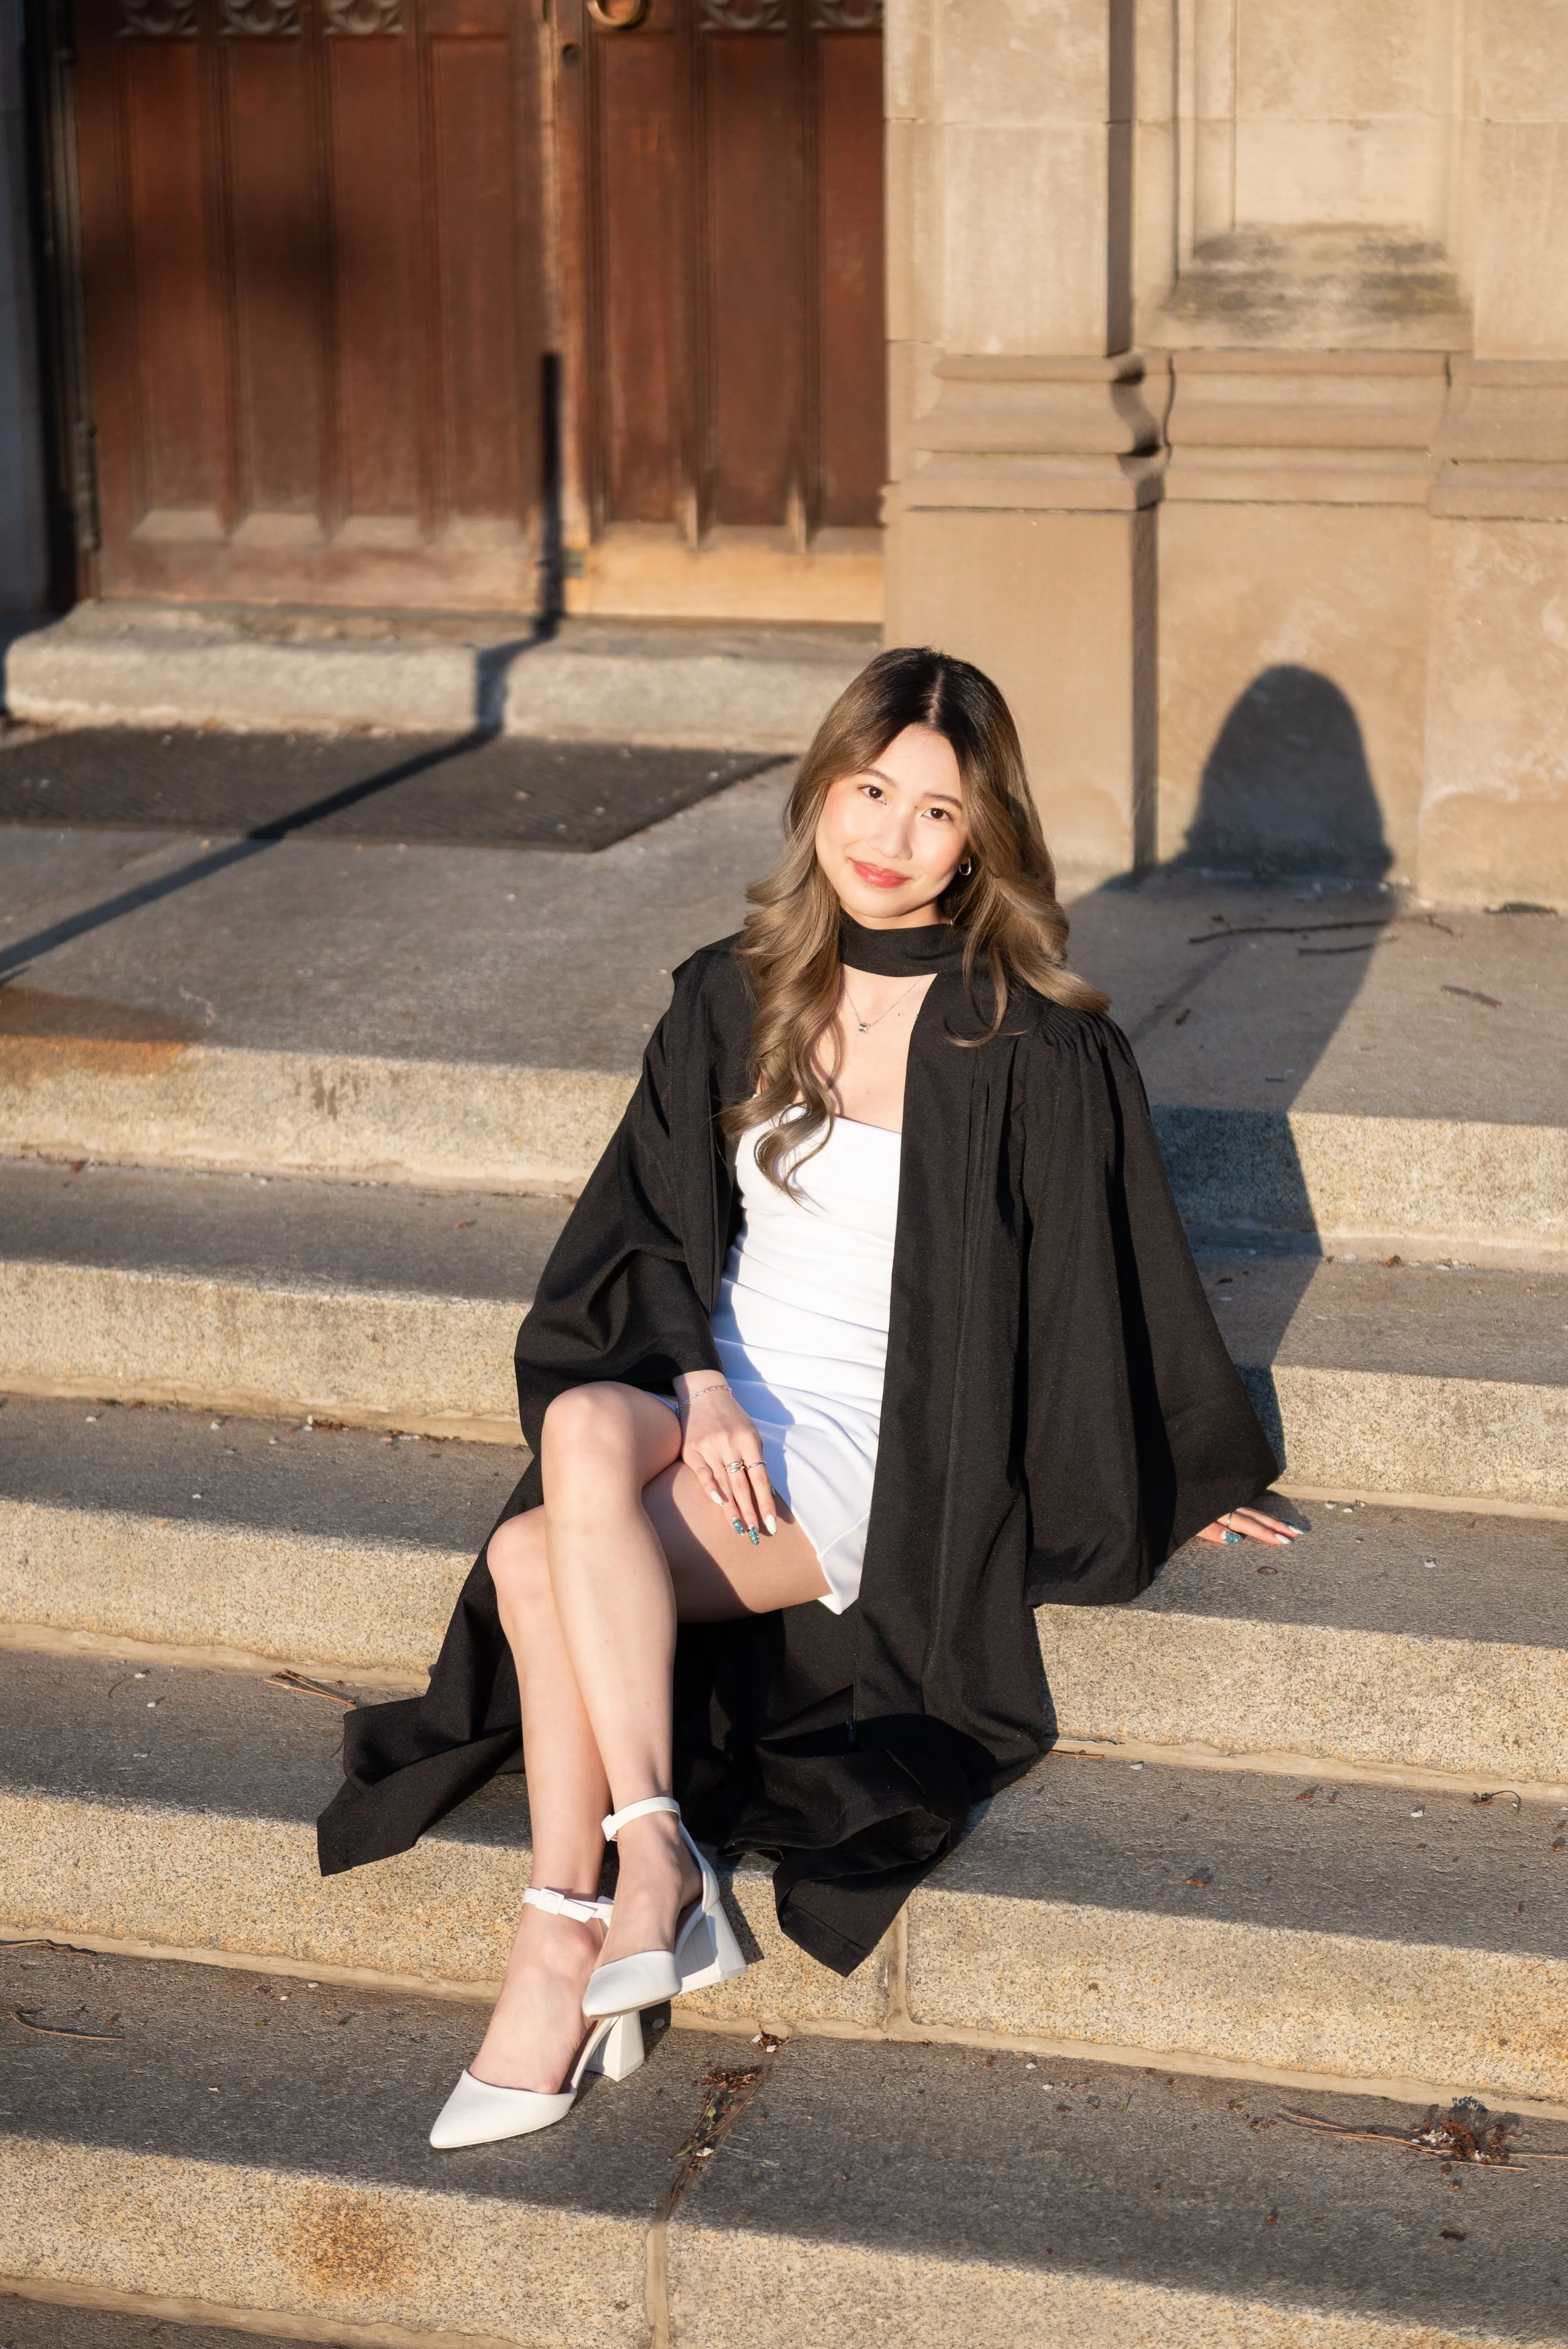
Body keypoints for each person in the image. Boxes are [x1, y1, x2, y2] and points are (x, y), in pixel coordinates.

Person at [316, 646, 1293, 2147]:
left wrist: (1181, 1461)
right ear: (820, 789)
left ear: (984, 842)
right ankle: (648, 1863)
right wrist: (698, 1387)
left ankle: (562, 1925)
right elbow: (641, 1225)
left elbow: (1109, 1278)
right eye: (868, 790)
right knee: (583, 1421)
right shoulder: (734, 990)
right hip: (714, 1396)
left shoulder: (1030, 1042)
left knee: (528, 1560)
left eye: (936, 816)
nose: (887, 840)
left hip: (870, 1444)